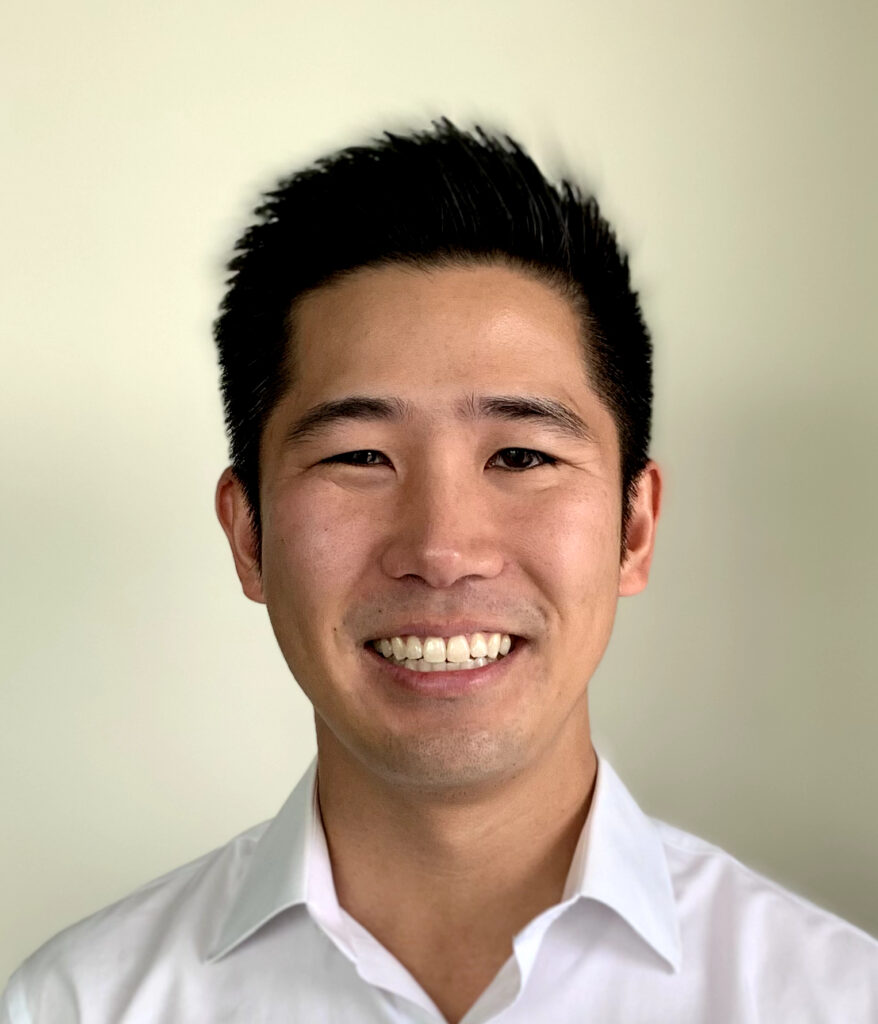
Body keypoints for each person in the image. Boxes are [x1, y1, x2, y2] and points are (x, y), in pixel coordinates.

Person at [3, 119, 876, 1024]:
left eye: (522, 456)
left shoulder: (834, 998)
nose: (442, 548)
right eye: (359, 457)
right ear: (248, 534)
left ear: (635, 528)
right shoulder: (75, 1004)